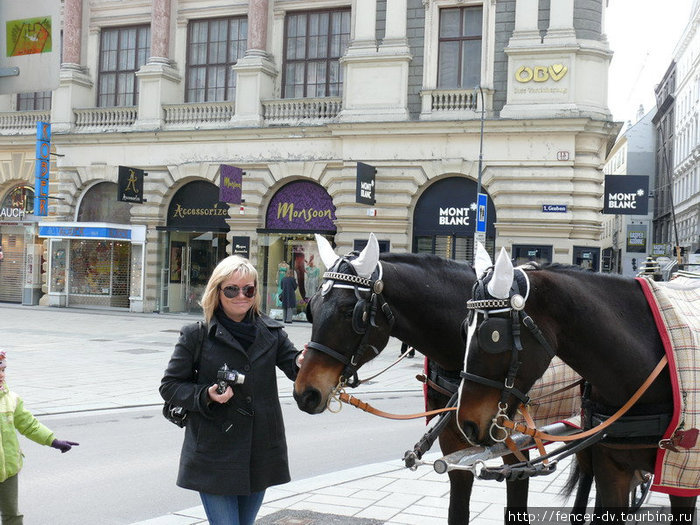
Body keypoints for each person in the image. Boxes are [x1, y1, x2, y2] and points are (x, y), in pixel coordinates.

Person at [160, 255, 303, 525]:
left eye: (248, 289)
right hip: (215, 451)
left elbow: (294, 365)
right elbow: (170, 386)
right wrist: (206, 395)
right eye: (232, 289)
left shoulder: (271, 333)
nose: (241, 296)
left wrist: (305, 361)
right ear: (217, 291)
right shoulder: (196, 335)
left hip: (260, 449)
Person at [0, 351, 78, 524]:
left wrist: (53, 441)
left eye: (3, 370)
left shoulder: (11, 399)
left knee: (12, 515)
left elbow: (29, 425)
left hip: (9, 469)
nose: (1, 375)